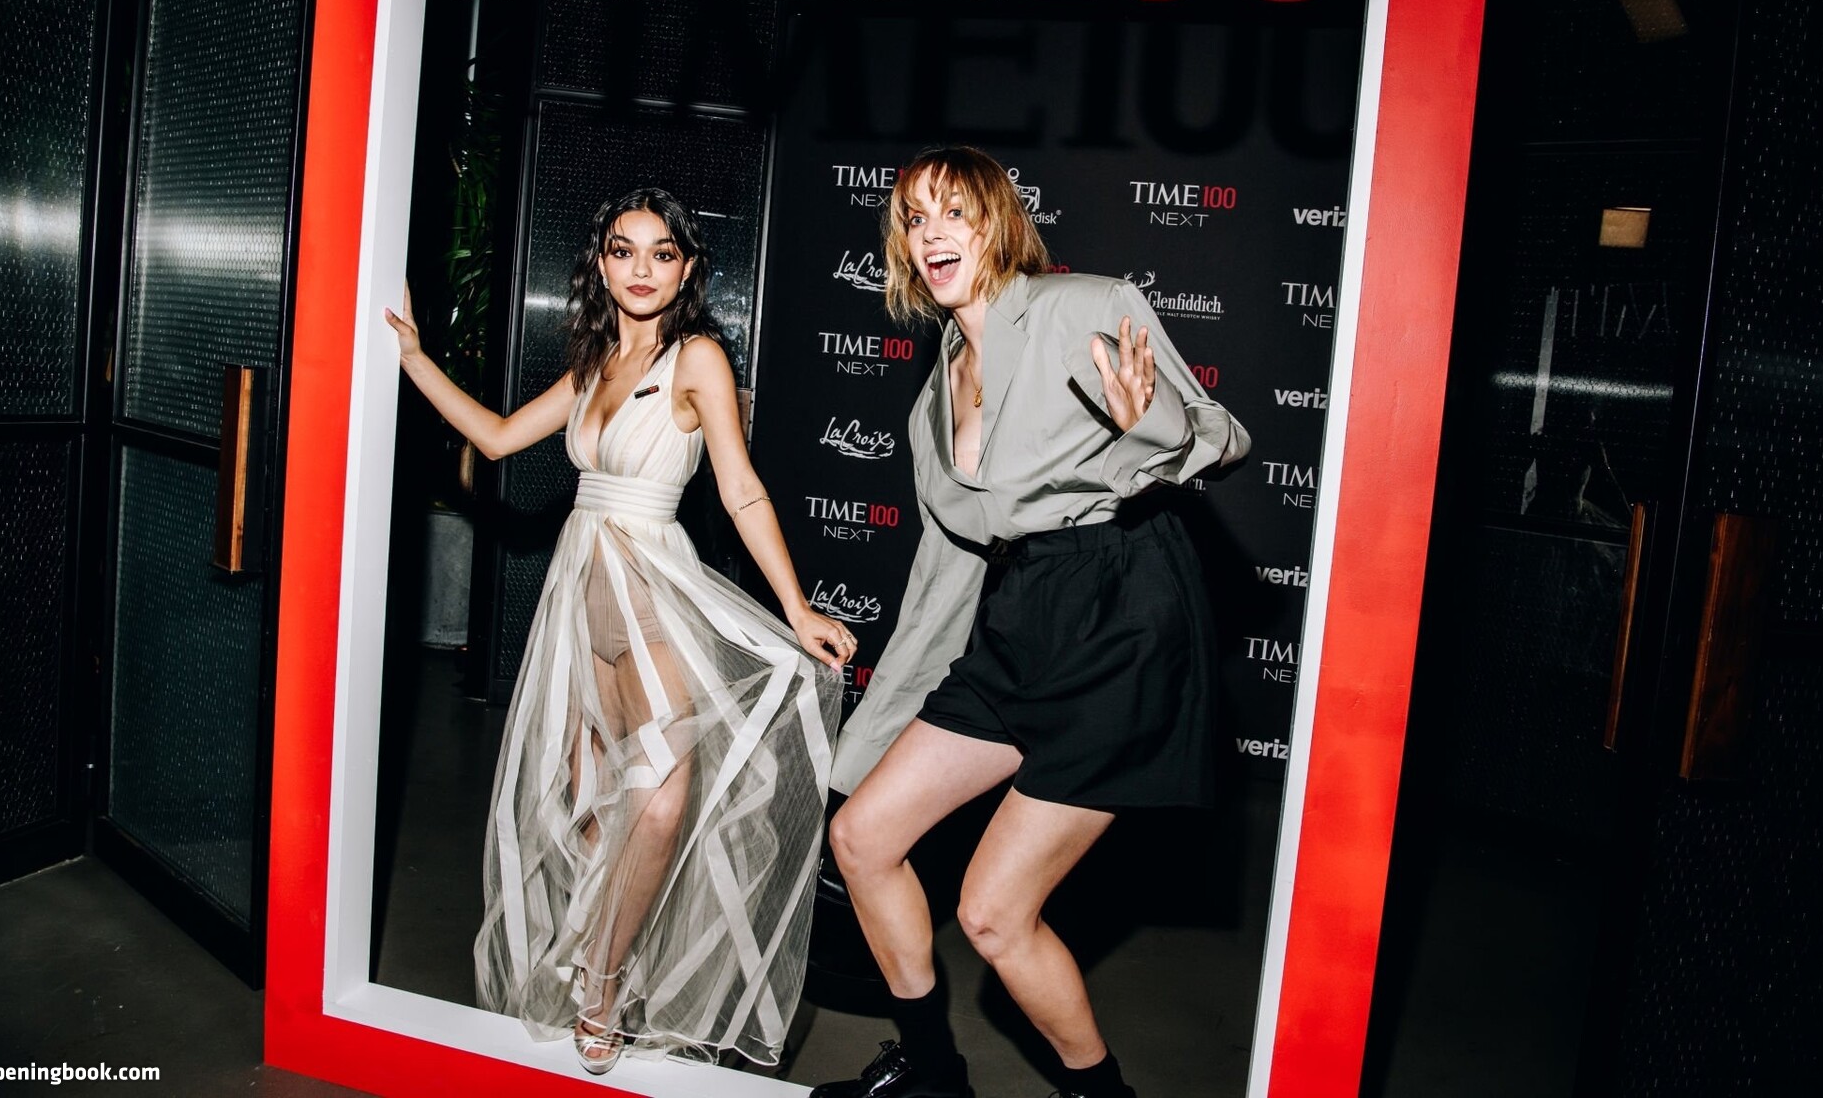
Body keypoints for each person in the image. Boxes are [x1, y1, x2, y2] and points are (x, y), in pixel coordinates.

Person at [811, 147, 1250, 1098]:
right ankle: (933, 1075)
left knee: (993, 914)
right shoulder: (940, 382)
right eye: (915, 217)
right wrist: (879, 716)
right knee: (863, 837)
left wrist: (1148, 428)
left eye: (955, 212)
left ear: (999, 224)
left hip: (1119, 612)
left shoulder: (1080, 306)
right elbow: (948, 563)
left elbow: (1220, 435)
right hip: (1018, 614)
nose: (932, 233)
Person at [385, 187, 849, 1073]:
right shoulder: (595, 360)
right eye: (623, 250)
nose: (642, 269)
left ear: (687, 268)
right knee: (597, 810)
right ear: (600, 264)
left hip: (651, 592)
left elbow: (741, 489)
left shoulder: (697, 358)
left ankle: (600, 990)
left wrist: (796, 607)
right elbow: (499, 437)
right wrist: (414, 359)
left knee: (663, 799)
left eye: (662, 252)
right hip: (579, 599)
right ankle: (614, 966)